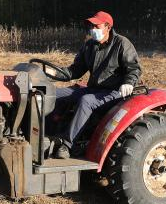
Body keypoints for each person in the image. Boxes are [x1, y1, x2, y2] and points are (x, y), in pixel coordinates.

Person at [50, 11, 141, 159]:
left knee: (87, 101)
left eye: (96, 26)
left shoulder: (122, 43)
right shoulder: (89, 45)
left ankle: (67, 145)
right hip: (94, 89)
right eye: (91, 26)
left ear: (107, 27)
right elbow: (75, 70)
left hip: (115, 92)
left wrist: (128, 83)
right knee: (53, 93)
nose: (92, 29)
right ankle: (48, 134)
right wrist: (53, 73)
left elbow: (133, 68)